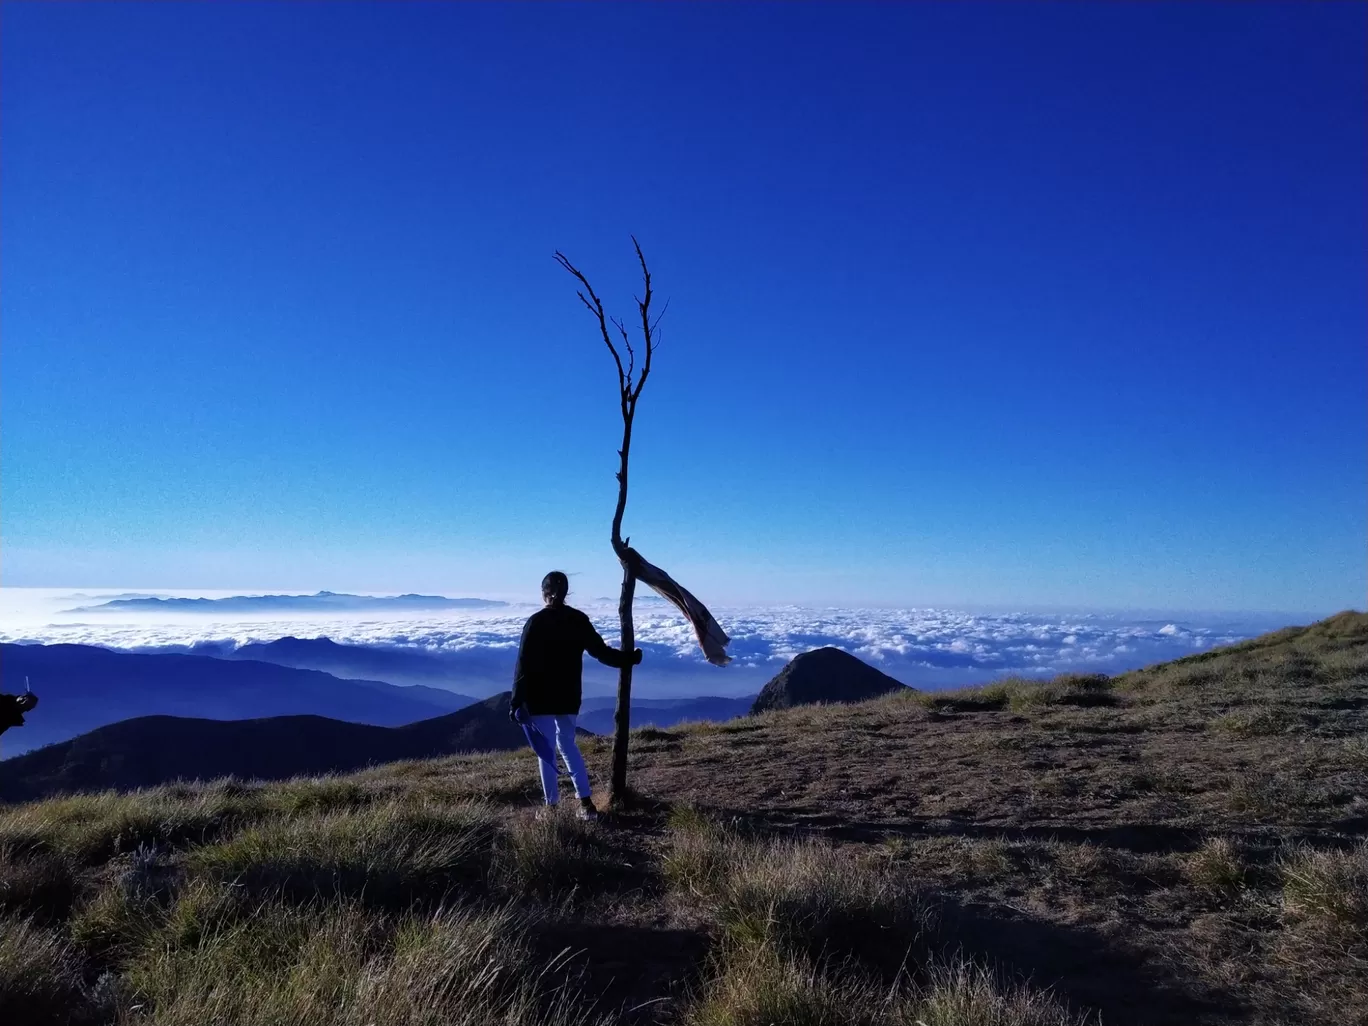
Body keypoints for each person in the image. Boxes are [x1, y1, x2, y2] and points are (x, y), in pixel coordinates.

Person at [510, 571, 642, 821]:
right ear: (566, 592)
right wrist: (629, 659)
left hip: (540, 699)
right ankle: (586, 805)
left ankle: (552, 810)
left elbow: (522, 664)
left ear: (543, 593)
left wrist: (516, 701)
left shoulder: (535, 622)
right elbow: (601, 652)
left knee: (546, 752)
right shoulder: (578, 620)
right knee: (569, 746)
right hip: (569, 696)